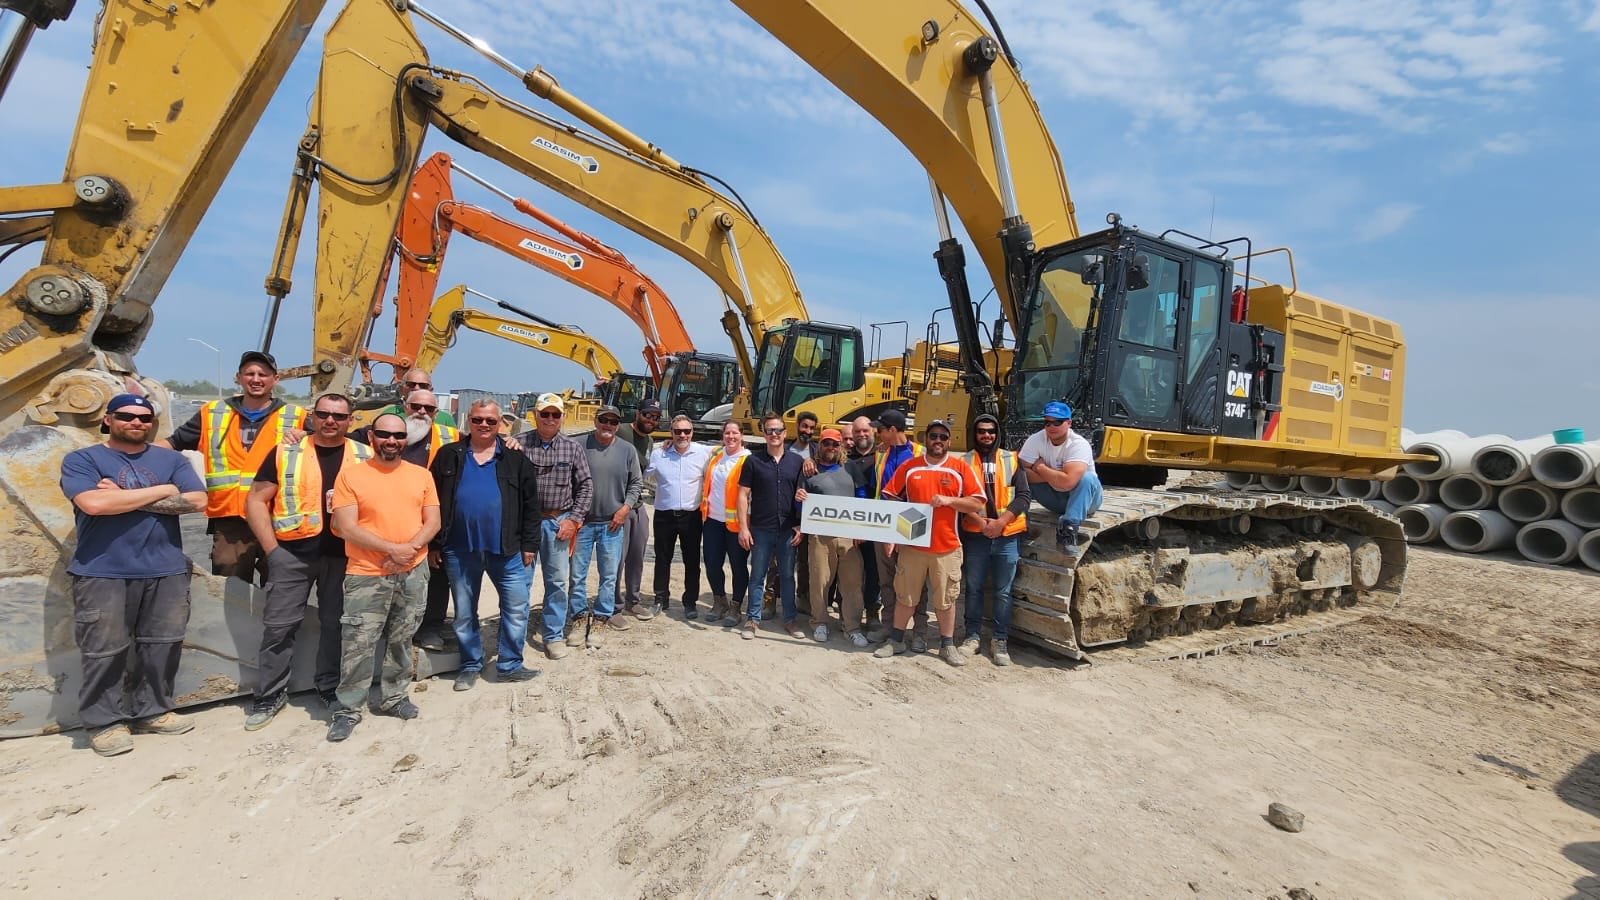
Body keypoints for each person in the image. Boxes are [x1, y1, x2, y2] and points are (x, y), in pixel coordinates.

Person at [60, 393, 207, 756]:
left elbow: (198, 502)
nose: (137, 423)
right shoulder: (84, 459)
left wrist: (124, 494)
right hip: (103, 570)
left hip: (165, 568)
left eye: (145, 418)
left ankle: (153, 711)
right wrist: (163, 490)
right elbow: (93, 504)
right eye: (127, 416)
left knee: (163, 644)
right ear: (109, 419)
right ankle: (104, 723)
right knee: (103, 650)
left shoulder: (170, 459)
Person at [241, 392, 371, 730]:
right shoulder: (288, 451)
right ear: (312, 416)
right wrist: (271, 550)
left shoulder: (363, 455)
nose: (331, 421)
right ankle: (270, 693)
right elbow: (256, 500)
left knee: (335, 623)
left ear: (350, 420)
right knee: (279, 626)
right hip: (292, 554)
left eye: (339, 416)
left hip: (344, 556)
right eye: (324, 414)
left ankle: (327, 685)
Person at [325, 413, 440, 742]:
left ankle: (394, 697)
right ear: (372, 437)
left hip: (412, 571)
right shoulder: (351, 477)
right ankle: (348, 709)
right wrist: (392, 549)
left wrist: (409, 550)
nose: (392, 441)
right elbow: (346, 527)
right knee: (358, 643)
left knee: (402, 639)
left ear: (406, 439)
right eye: (385, 435)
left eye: (398, 436)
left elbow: (432, 520)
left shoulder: (421, 476)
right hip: (366, 573)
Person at [159, 350, 307, 585]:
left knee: (281, 586)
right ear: (238, 377)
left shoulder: (297, 417)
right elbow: (171, 444)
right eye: (249, 373)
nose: (256, 379)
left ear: (275, 379)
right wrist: (120, 456)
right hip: (231, 520)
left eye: (263, 374)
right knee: (230, 588)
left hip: (279, 517)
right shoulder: (212, 414)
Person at [429, 399, 541, 692]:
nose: (484, 425)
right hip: (459, 548)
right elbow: (432, 502)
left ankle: (509, 665)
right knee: (465, 613)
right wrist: (434, 544)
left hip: (507, 550)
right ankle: (470, 665)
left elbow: (532, 505)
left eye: (491, 421)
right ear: (469, 421)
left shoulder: (515, 459)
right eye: (478, 420)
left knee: (516, 608)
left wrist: (530, 544)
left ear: (500, 425)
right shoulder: (449, 456)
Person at [875, 418, 986, 667]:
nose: (938, 441)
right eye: (933, 436)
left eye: (943, 437)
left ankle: (947, 646)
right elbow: (891, 498)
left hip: (947, 546)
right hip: (913, 545)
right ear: (926, 438)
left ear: (949, 441)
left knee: (946, 600)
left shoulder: (960, 468)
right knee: (905, 597)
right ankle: (896, 640)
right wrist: (892, 536)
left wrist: (949, 502)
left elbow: (978, 502)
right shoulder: (910, 467)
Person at [357, 389, 460, 651]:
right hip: (382, 523)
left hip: (428, 522)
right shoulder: (379, 434)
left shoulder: (448, 436)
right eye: (416, 406)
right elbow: (336, 434)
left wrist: (510, 442)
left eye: (429, 409)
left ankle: (429, 628)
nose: (422, 412)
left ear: (436, 413)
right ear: (404, 406)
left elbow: (481, 441)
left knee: (434, 578)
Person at [521, 393, 593, 660]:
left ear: (562, 417)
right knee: (520, 582)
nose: (550, 419)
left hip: (557, 523)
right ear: (535, 415)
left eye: (555, 414)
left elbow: (585, 485)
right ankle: (515, 636)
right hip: (525, 523)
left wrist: (574, 520)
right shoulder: (518, 444)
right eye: (545, 414)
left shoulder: (572, 448)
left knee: (558, 582)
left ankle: (552, 636)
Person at [957, 413, 1031, 666]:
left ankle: (1000, 640)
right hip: (976, 535)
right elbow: (958, 496)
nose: (986, 435)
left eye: (990, 431)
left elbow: (1023, 496)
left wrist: (1000, 523)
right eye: (981, 431)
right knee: (974, 589)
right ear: (974, 433)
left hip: (1007, 534)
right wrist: (981, 523)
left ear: (997, 433)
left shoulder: (1011, 459)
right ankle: (972, 636)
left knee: (1002, 592)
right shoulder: (965, 460)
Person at [568, 405, 641, 646]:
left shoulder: (627, 450)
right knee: (577, 575)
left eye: (612, 421)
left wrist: (625, 509)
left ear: (617, 425)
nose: (607, 425)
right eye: (603, 420)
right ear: (595, 420)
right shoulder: (578, 444)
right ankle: (579, 618)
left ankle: (600, 618)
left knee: (609, 576)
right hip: (583, 524)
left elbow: (636, 484)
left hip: (612, 523)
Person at [793, 428, 869, 647]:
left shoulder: (851, 468)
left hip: (848, 536)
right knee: (819, 582)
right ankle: (819, 622)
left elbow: (862, 496)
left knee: (852, 583)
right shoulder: (809, 471)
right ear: (820, 445)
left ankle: (852, 626)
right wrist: (799, 499)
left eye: (835, 444)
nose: (831, 448)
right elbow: (799, 502)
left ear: (840, 447)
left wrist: (861, 528)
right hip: (820, 536)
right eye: (826, 443)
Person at [737, 412, 805, 641]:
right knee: (757, 575)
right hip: (761, 529)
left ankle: (790, 620)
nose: (774, 434)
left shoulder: (797, 462)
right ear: (764, 434)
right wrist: (744, 528)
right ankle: (752, 619)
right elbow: (743, 495)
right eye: (769, 431)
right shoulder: (753, 461)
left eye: (778, 430)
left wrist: (800, 525)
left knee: (787, 576)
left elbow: (802, 497)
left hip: (787, 530)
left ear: (785, 434)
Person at [864, 408, 924, 646]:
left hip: (913, 523)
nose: (876, 433)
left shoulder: (920, 453)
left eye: (880, 429)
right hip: (884, 524)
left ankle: (919, 632)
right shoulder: (881, 454)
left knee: (916, 581)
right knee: (886, 579)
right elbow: (875, 490)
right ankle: (889, 626)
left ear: (892, 430)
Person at [644, 414, 714, 618]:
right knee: (662, 558)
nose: (682, 435)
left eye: (686, 431)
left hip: (691, 517)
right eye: (677, 431)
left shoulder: (704, 453)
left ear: (692, 433)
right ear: (671, 433)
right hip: (664, 515)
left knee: (691, 561)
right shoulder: (659, 454)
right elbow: (640, 473)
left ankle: (690, 602)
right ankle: (660, 599)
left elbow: (732, 448)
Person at [1019, 400, 1103, 556]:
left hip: (1085, 500)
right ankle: (1020, 527)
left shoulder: (1078, 444)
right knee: (1020, 479)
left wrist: (1040, 467)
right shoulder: (1036, 439)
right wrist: (1055, 477)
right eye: (1047, 422)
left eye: (1057, 422)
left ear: (1069, 423)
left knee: (1086, 478)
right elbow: (1019, 471)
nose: (1051, 427)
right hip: (1055, 498)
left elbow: (1068, 482)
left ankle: (1068, 532)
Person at [699, 420, 751, 627]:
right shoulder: (717, 457)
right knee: (712, 563)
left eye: (734, 433)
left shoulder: (747, 460)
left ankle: (736, 606)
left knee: (738, 566)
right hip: (712, 520)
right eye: (727, 433)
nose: (731, 437)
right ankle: (719, 600)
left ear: (742, 436)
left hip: (736, 524)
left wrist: (748, 525)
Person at [617, 399, 661, 618]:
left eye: (655, 417)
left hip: (638, 505)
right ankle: (613, 605)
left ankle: (632, 601)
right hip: (617, 506)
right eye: (647, 414)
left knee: (636, 555)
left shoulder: (651, 441)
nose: (650, 420)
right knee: (617, 557)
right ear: (637, 413)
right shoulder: (621, 431)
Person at [845, 415, 882, 633]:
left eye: (865, 431)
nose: (861, 435)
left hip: (877, 525)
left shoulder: (882, 456)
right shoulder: (844, 458)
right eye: (857, 432)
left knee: (874, 571)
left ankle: (872, 611)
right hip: (849, 525)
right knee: (850, 572)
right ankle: (848, 612)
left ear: (873, 432)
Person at [379, 368, 457, 427]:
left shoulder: (444, 419)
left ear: (431, 390)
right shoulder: (389, 414)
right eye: (411, 384)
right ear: (401, 389)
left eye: (423, 385)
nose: (416, 388)